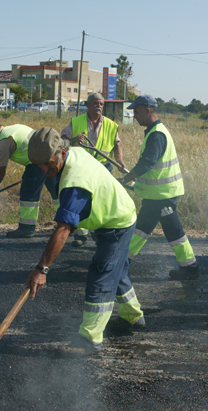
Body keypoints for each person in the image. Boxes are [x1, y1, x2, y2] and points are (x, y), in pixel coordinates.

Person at [24, 128, 144, 357]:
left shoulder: (74, 180)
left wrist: (42, 269)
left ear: (61, 151)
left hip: (117, 221)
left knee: (101, 274)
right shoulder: (73, 153)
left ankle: (89, 339)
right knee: (117, 270)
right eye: (40, 165)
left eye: (49, 163)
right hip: (109, 214)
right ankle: (134, 316)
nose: (45, 169)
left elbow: (63, 229)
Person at [121, 94, 199, 280]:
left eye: (137, 112)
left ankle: (122, 262)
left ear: (148, 111)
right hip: (159, 195)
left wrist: (126, 179)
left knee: (161, 230)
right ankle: (189, 266)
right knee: (150, 229)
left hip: (162, 195)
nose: (134, 116)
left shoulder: (157, 134)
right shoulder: (156, 131)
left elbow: (147, 163)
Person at [60, 92, 126, 246]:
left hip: (103, 167)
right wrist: (74, 140)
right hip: (82, 166)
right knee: (82, 199)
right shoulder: (76, 121)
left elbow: (117, 145)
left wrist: (120, 161)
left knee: (101, 202)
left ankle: (99, 236)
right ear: (88, 105)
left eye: (101, 104)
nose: (98, 106)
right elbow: (62, 140)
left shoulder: (111, 124)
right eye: (95, 103)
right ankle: (81, 236)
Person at [0, 122, 58, 238]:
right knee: (57, 192)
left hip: (37, 162)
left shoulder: (5, 140)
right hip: (51, 156)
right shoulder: (15, 128)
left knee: (28, 193)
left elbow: (0, 170)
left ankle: (27, 228)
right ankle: (68, 223)